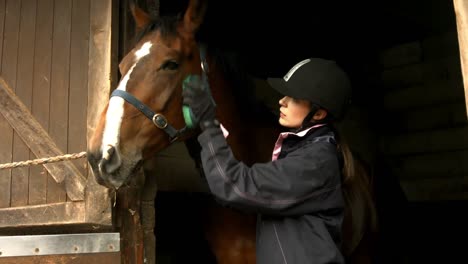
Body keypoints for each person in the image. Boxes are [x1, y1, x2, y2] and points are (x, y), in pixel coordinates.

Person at [182, 57, 352, 264]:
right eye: (287, 94)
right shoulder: (300, 152)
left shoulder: (315, 162)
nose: (282, 101)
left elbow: (237, 187)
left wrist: (209, 125)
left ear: (319, 114)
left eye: (295, 98)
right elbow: (246, 198)